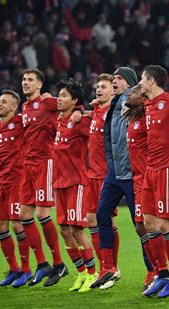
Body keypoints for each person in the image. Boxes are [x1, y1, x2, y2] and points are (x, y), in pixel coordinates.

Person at [90, 67, 152, 289]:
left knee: (141, 225)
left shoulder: (137, 102)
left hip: (133, 172)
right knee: (101, 214)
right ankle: (108, 267)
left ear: (131, 83)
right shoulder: (116, 103)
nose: (115, 81)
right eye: (113, 78)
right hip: (115, 171)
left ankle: (153, 270)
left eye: (119, 78)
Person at [138, 65, 169, 298]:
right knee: (148, 223)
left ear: (150, 80)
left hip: (168, 167)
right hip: (151, 168)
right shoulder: (146, 105)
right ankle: (163, 274)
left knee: (164, 224)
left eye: (141, 79)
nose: (140, 83)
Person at [19, 68, 67, 287]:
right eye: (24, 79)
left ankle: (59, 264)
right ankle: (42, 264)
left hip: (45, 162)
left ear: (40, 85)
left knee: (41, 213)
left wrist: (78, 112)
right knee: (24, 215)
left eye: (30, 80)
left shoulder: (48, 102)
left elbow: (71, 104)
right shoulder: (25, 106)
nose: (25, 83)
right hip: (27, 165)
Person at [0, 90, 31, 288]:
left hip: (18, 180)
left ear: (13, 107)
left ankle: (26, 270)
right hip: (1, 181)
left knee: (18, 225)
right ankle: (14, 268)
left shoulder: (21, 123)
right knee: (1, 226)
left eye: (4, 102)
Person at [53, 79, 97, 293]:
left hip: (76, 182)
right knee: (63, 229)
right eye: (58, 95)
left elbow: (99, 124)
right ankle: (80, 273)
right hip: (59, 182)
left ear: (75, 100)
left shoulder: (79, 121)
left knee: (77, 229)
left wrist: (85, 112)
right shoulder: (59, 118)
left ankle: (92, 273)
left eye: (63, 95)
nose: (58, 99)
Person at [123, 85, 159, 292]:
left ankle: (162, 270)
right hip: (137, 179)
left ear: (143, 96)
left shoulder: (148, 117)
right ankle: (156, 268)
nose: (130, 95)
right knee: (140, 226)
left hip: (149, 178)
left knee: (152, 224)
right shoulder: (133, 117)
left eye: (134, 92)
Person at [85, 73, 120, 280]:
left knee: (105, 220)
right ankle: (104, 268)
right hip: (91, 174)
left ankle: (112, 268)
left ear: (112, 91)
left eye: (104, 87)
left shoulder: (114, 113)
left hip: (105, 174)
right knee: (91, 220)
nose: (99, 89)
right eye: (98, 86)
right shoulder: (97, 110)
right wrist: (84, 113)